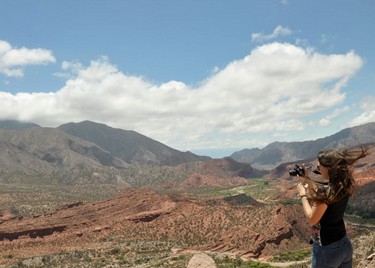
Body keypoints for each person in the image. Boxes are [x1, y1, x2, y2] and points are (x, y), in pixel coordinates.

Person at [296, 147, 369, 268]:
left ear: (327, 168)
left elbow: (312, 219)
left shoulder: (325, 191)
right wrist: (308, 179)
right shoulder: (340, 186)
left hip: (326, 250)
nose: (318, 168)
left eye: (319, 167)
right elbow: (320, 197)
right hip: (344, 244)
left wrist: (302, 194)